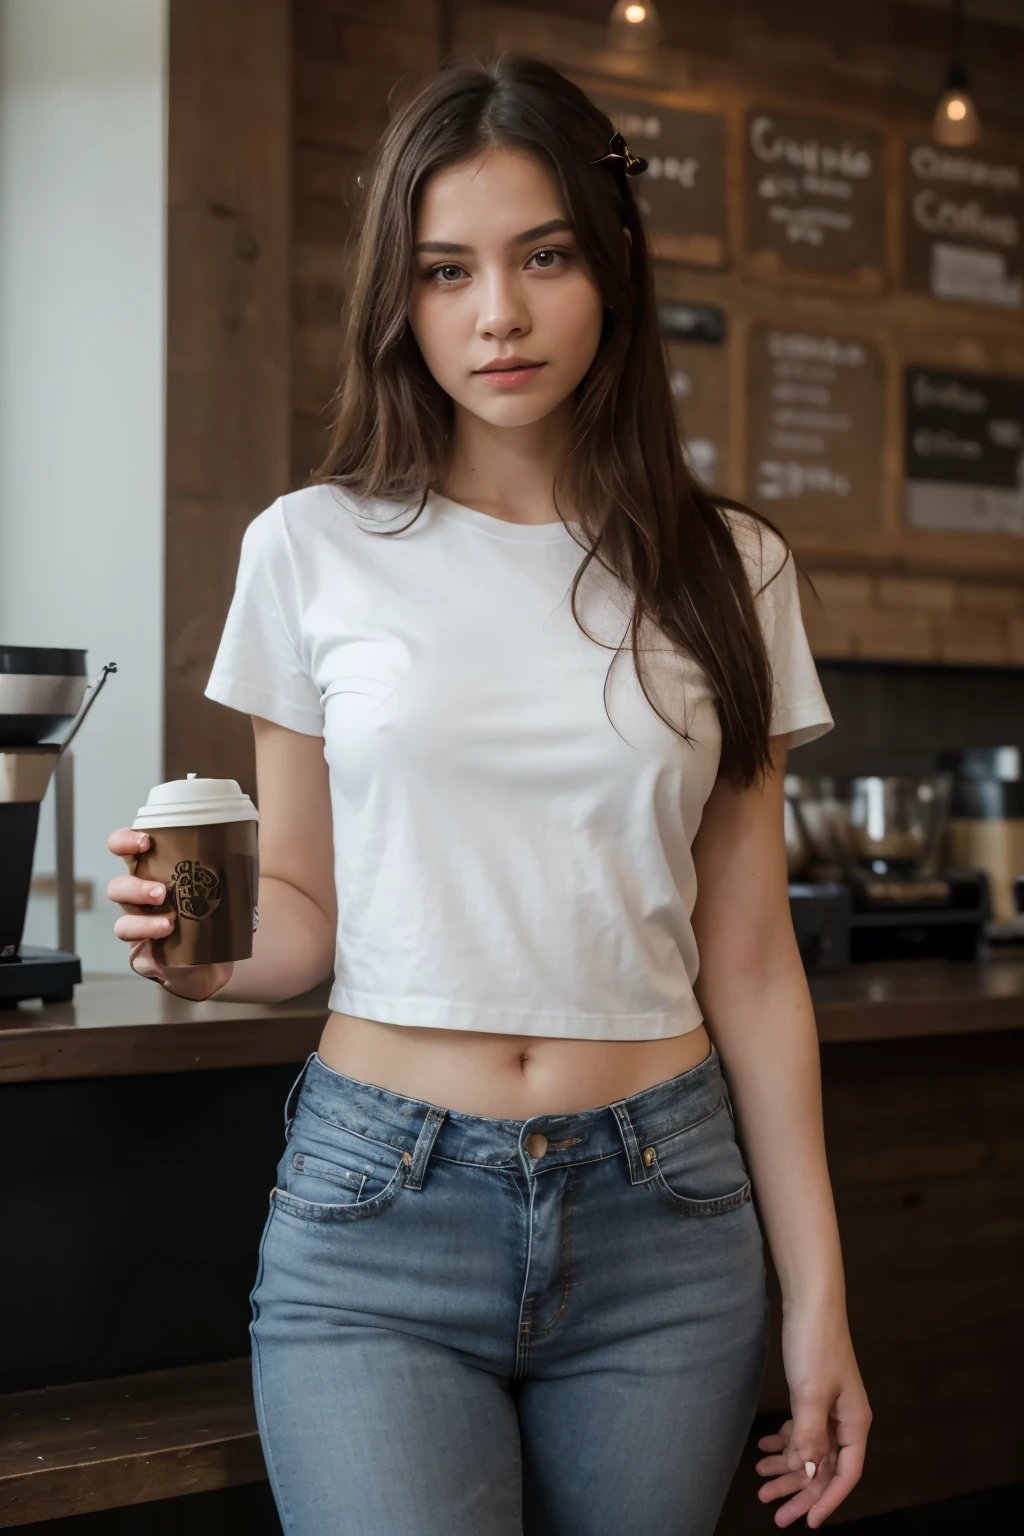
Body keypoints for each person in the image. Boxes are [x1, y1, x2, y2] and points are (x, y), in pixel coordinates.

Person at [107, 55, 870, 1536]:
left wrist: (819, 1303)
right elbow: (309, 918)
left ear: (612, 262)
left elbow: (755, 963)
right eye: (446, 271)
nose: (497, 315)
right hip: (377, 1216)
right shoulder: (311, 547)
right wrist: (190, 955)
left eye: (542, 257)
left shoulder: (735, 569)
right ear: (402, 295)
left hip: (671, 1220)